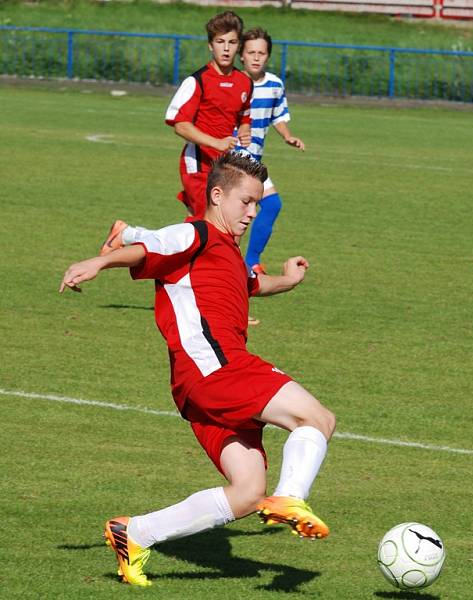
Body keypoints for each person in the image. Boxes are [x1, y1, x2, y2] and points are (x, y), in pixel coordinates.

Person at [61, 152, 336, 587]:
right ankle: (290, 498)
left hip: (197, 388)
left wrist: (288, 279)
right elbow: (150, 246)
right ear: (217, 194)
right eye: (246, 201)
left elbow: (252, 284)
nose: (252, 212)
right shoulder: (198, 232)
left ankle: (134, 533)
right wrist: (99, 261)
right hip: (218, 371)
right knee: (317, 418)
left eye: (257, 205)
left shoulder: (223, 251)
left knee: (247, 493)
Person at [164, 10, 253, 218]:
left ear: (238, 45)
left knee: (219, 228)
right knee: (210, 228)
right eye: (220, 42)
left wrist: (244, 128)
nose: (226, 48)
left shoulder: (244, 82)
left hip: (224, 166)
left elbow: (243, 114)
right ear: (210, 45)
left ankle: (129, 234)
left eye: (231, 42)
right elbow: (181, 125)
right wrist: (215, 142)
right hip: (197, 164)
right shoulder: (197, 81)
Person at [236, 27, 306, 277]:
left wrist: (288, 136)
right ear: (241, 55)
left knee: (266, 206)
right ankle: (247, 263)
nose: (256, 57)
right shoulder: (234, 82)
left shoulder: (275, 84)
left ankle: (247, 262)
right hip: (234, 156)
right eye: (251, 52)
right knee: (266, 204)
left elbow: (277, 115)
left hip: (254, 157)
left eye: (261, 53)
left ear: (268, 56)